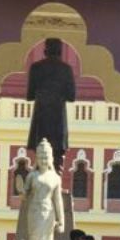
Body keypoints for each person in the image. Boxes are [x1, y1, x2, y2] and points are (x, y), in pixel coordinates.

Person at [26, 38, 76, 173]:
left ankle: (40, 181)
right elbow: (71, 97)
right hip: (58, 119)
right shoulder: (66, 69)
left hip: (41, 118)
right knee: (58, 162)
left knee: (40, 159)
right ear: (60, 52)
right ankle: (56, 182)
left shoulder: (36, 68)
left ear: (45, 51)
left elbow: (29, 95)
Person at [22, 138, 64, 240]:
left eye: (46, 157)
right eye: (40, 157)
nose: (43, 160)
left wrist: (61, 220)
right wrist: (22, 193)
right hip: (34, 210)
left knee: (47, 238)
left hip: (49, 212)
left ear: (51, 159)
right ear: (36, 159)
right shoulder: (32, 176)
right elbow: (25, 193)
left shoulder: (55, 178)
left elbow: (58, 200)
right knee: (34, 237)